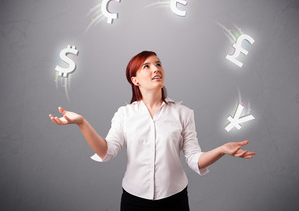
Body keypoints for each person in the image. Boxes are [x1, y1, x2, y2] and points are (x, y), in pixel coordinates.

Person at [49, 51, 256, 211]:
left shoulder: (183, 113)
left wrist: (221, 150)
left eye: (158, 64)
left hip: (174, 200)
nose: (155, 68)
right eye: (146, 66)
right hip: (134, 201)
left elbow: (194, 159)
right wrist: (82, 123)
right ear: (135, 80)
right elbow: (106, 151)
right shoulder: (124, 114)